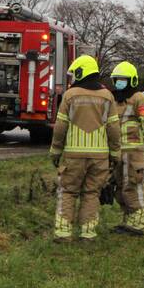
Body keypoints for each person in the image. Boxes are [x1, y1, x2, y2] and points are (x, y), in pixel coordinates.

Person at [48, 55, 120, 241]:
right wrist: (115, 154)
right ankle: (88, 234)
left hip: (74, 156)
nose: (72, 78)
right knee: (91, 194)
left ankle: (63, 234)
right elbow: (113, 128)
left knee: (68, 191)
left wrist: (55, 151)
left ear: (81, 72)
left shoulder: (70, 95)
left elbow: (61, 127)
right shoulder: (107, 96)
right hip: (100, 158)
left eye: (74, 74)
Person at [108, 61, 144, 235]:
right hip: (118, 152)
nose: (119, 82)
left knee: (133, 186)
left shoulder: (138, 99)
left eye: (123, 79)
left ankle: (138, 223)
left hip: (133, 152)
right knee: (120, 187)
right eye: (117, 79)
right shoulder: (115, 100)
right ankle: (128, 220)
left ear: (132, 80)